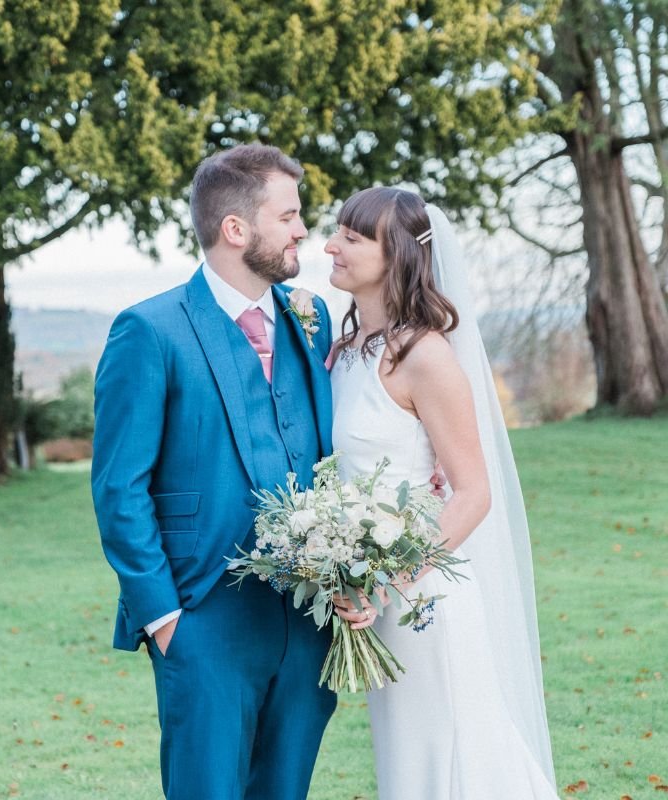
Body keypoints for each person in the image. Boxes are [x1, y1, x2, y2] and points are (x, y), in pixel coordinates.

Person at [90, 143, 337, 800]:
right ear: (236, 229)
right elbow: (119, 489)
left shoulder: (310, 322)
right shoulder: (149, 330)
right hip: (203, 622)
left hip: (306, 624)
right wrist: (166, 620)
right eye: (287, 215)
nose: (302, 228)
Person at [326, 187, 560, 798]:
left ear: (396, 253)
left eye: (352, 237)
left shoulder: (426, 357)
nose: (331, 245)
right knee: (408, 761)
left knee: (454, 757)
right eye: (337, 232)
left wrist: (387, 578)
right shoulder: (344, 351)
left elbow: (474, 492)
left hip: (423, 600)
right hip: (372, 601)